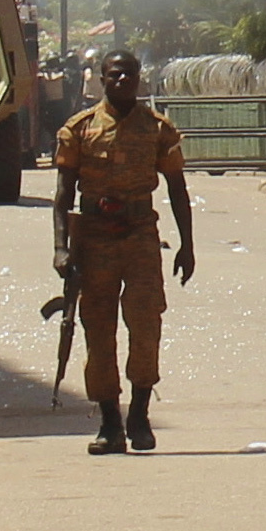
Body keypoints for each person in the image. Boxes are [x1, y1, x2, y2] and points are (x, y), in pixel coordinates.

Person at [51, 48, 196, 455]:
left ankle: (140, 415)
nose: (121, 81)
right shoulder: (79, 129)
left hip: (140, 237)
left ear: (139, 78)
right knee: (98, 330)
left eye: (128, 74)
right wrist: (61, 248)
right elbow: (62, 195)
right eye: (113, 75)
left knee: (146, 325)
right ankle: (110, 423)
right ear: (101, 79)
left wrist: (187, 245)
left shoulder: (157, 129)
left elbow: (178, 189)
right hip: (94, 239)